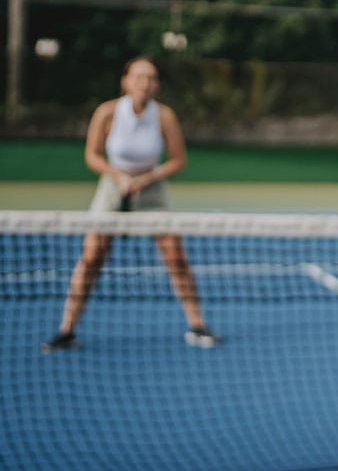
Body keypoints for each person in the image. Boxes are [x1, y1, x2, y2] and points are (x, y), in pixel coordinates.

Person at [42, 57, 219, 353]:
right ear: (125, 81)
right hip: (113, 185)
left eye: (150, 78)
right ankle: (67, 330)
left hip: (152, 187)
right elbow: (92, 156)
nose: (144, 83)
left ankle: (197, 326)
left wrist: (147, 178)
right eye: (138, 77)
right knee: (92, 256)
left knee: (176, 256)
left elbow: (178, 160)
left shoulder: (164, 116)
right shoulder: (108, 112)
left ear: (157, 85)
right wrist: (119, 177)